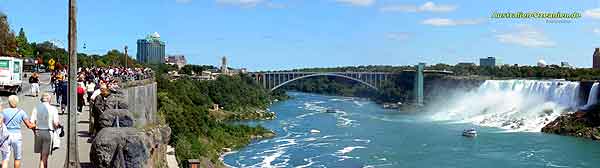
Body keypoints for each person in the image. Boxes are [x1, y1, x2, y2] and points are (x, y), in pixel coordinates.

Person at [2, 95, 36, 168]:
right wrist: (35, 125)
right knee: (17, 158)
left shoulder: (4, 111)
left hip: (6, 135)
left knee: (5, 159)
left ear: (9, 102)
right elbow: (29, 125)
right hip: (17, 136)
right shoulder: (21, 112)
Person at [30, 93, 60, 168]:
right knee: (44, 157)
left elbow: (31, 122)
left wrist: (34, 131)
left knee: (43, 155)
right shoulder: (53, 109)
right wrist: (59, 127)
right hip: (48, 132)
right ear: (49, 100)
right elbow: (56, 124)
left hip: (38, 132)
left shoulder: (36, 107)